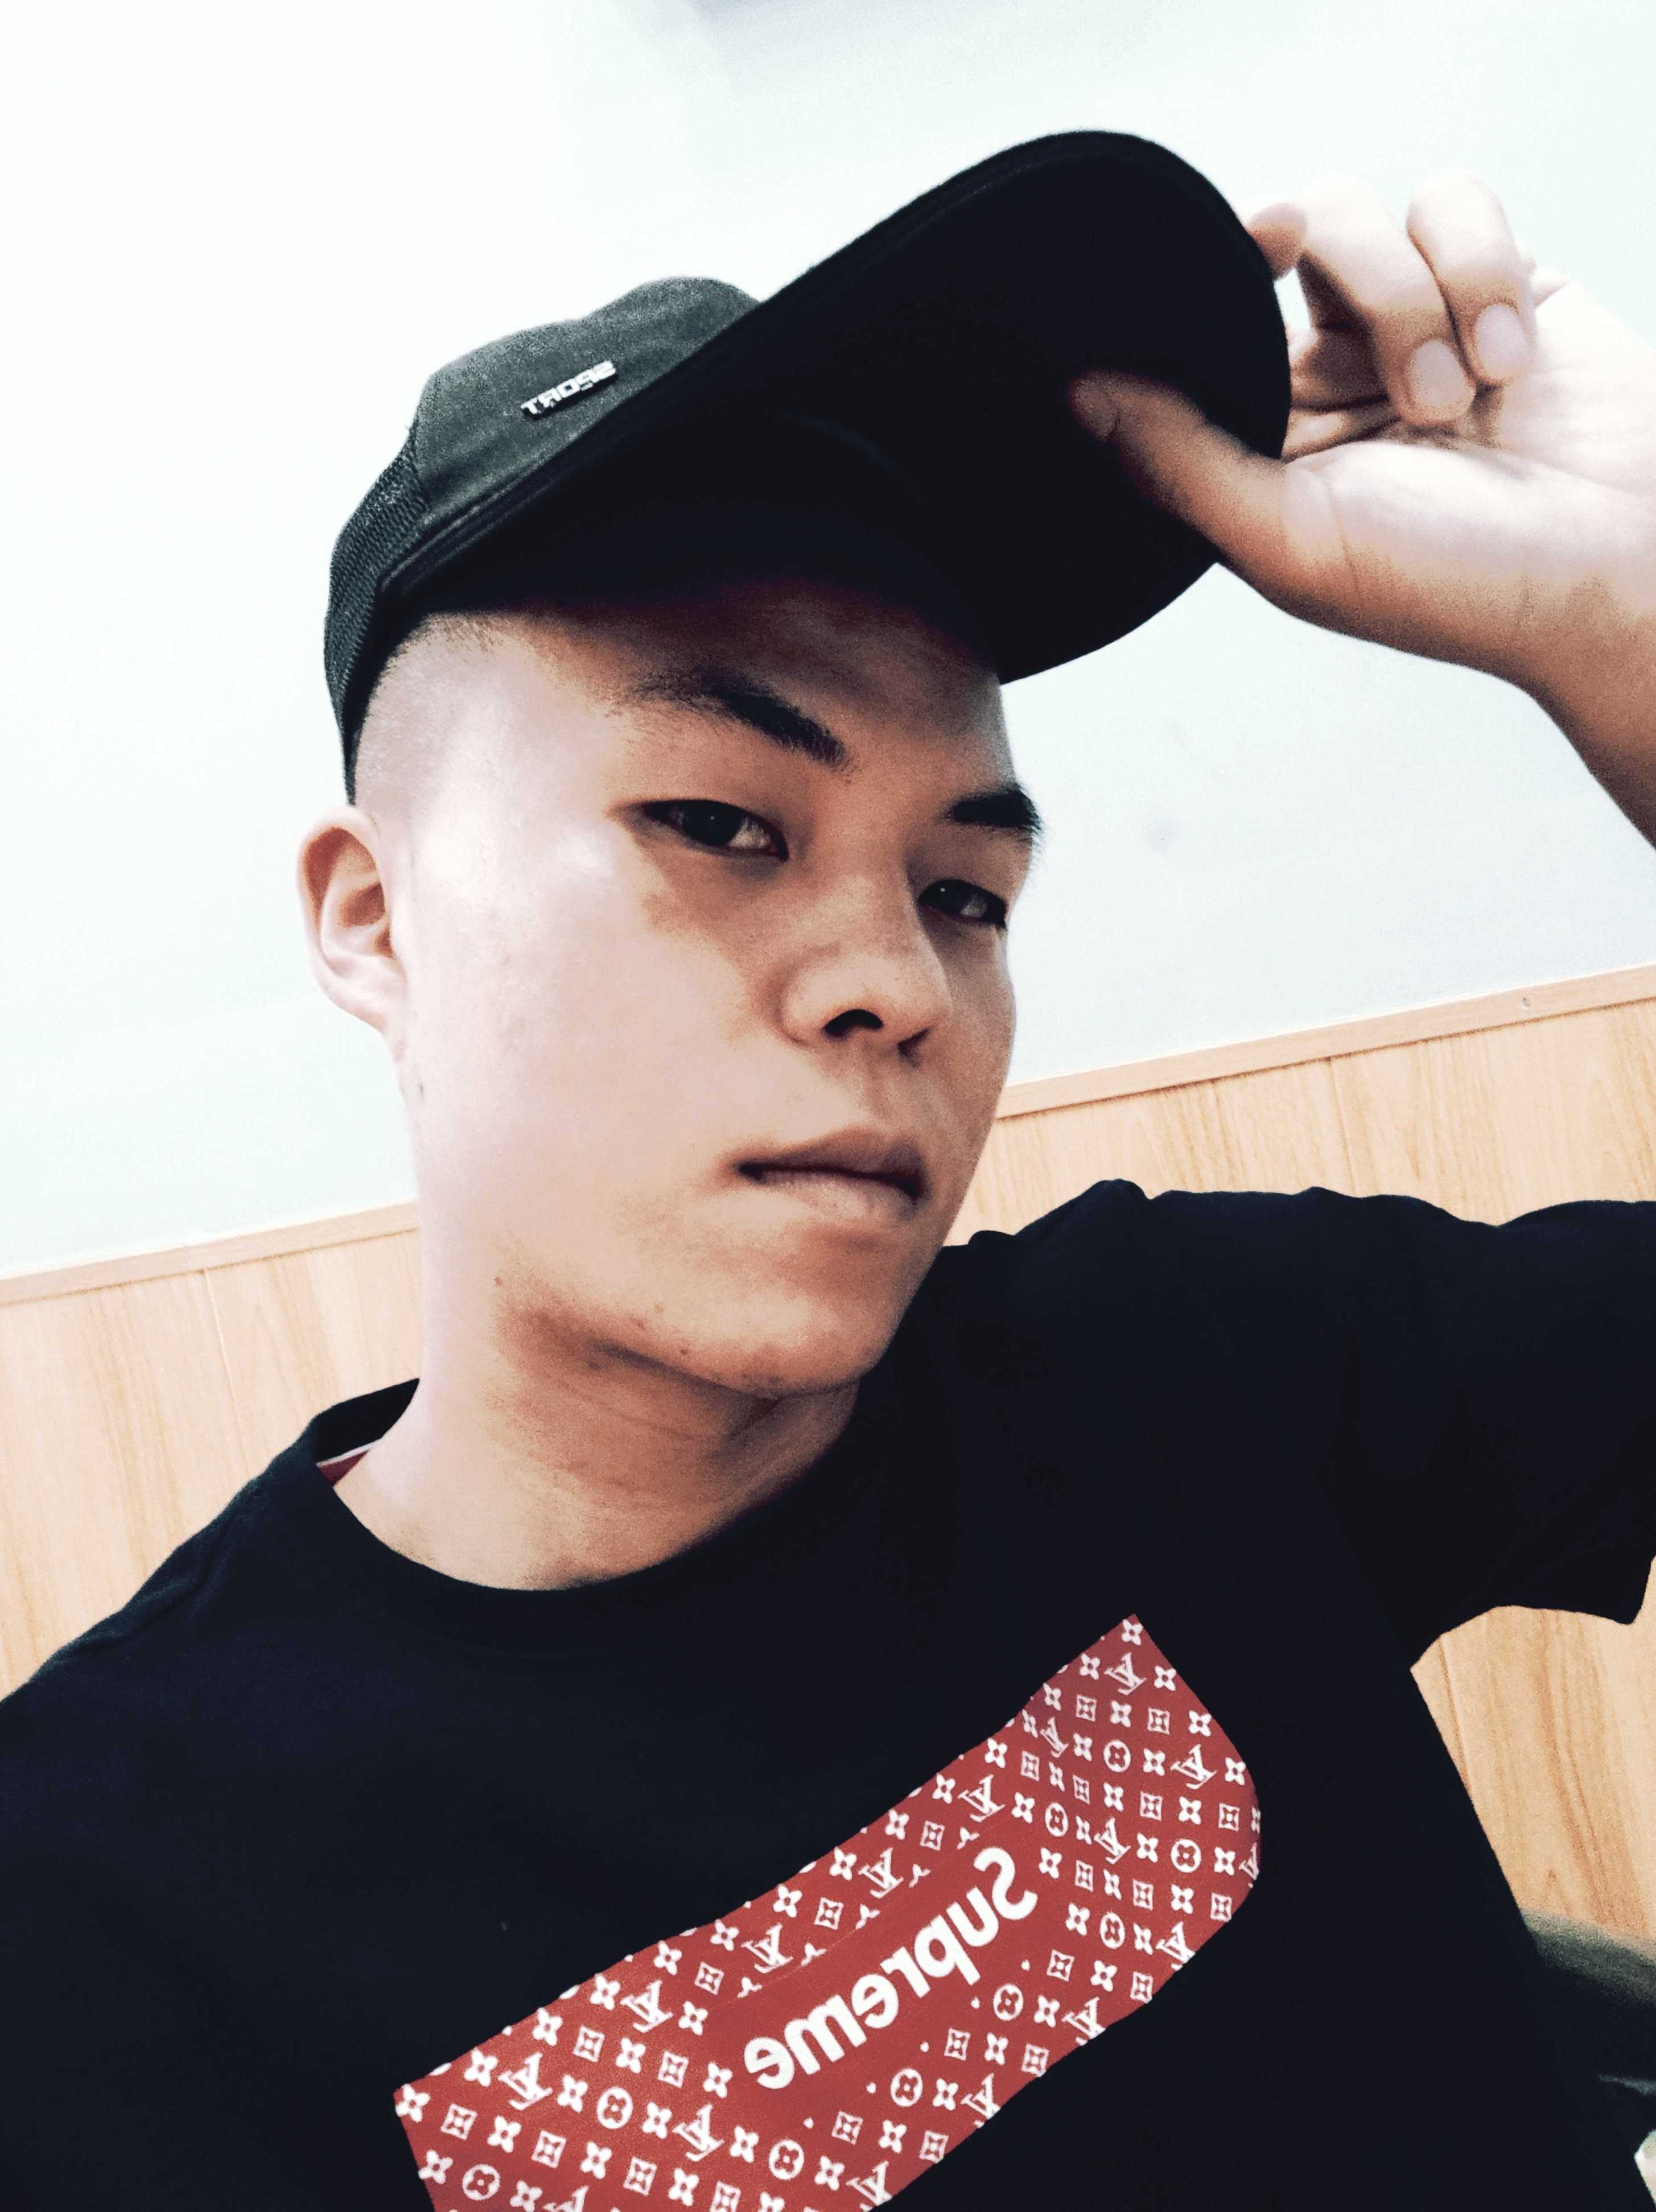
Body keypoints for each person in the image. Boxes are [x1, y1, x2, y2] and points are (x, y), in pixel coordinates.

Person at [1, 131, 1653, 2211]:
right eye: (721, 825)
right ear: (373, 919)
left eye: (966, 890)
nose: (896, 981)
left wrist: (1624, 622)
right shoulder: (97, 1909)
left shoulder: (1199, 1369)